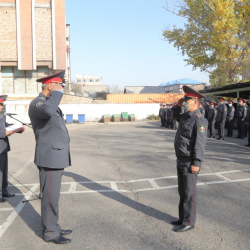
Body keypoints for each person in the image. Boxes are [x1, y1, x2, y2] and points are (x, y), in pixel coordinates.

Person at [28, 71, 72, 244]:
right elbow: (47, 112)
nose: (61, 89)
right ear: (50, 86)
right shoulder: (37, 103)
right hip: (49, 157)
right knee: (49, 198)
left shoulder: (48, 103)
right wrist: (56, 93)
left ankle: (54, 225)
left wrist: (54, 94)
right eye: (59, 85)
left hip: (55, 156)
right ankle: (51, 233)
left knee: (53, 197)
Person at [171, 85, 208, 233]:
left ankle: (189, 222)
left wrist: (196, 162)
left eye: (187, 99)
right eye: (184, 99)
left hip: (189, 161)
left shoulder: (199, 120)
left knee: (189, 193)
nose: (184, 101)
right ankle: (182, 218)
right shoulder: (186, 116)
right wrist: (177, 105)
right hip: (181, 158)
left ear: (195, 101)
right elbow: (175, 116)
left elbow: (199, 144)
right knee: (182, 191)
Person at [0, 98, 25, 203]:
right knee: (0, 173)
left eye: (2, 104)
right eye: (0, 104)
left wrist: (18, 128)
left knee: (4, 171)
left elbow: (7, 126)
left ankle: (4, 190)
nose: (1, 106)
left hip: (3, 148)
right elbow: (3, 133)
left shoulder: (0, 117)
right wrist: (13, 131)